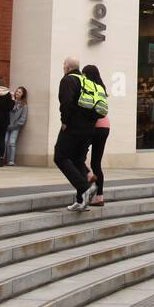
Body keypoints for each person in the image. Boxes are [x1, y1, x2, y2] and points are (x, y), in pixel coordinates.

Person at [54, 57, 99, 210]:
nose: (63, 66)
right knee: (77, 160)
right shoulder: (87, 81)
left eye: (63, 64)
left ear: (67, 67)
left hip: (73, 126)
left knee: (60, 156)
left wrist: (64, 121)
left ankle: (84, 188)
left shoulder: (68, 80)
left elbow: (66, 103)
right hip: (89, 128)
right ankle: (82, 202)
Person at [81, 66, 110, 205]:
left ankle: (88, 175)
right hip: (105, 126)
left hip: (92, 126)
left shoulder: (89, 86)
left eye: (84, 74)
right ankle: (99, 197)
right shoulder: (101, 88)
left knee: (77, 156)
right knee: (96, 163)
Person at [4, 85, 28, 167]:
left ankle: (11, 161)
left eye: (19, 92)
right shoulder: (11, 101)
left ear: (22, 94)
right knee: (5, 142)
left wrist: (14, 126)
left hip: (15, 127)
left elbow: (23, 119)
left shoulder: (24, 105)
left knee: (12, 142)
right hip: (7, 125)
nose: (17, 93)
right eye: (17, 91)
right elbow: (6, 112)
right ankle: (5, 160)